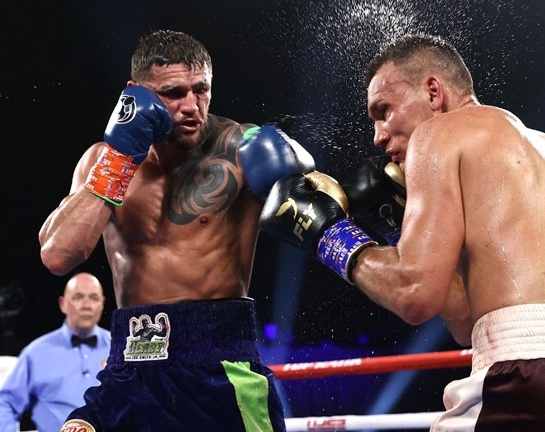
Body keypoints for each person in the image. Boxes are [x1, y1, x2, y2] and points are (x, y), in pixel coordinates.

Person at [259, 33, 545, 431]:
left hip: (537, 374)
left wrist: (326, 233)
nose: (378, 135)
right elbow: (469, 322)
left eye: (383, 111)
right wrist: (398, 232)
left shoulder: (438, 134)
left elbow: (412, 293)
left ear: (433, 92)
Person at [38, 30, 315, 431]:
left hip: (221, 371)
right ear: (135, 94)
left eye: (200, 89)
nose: (191, 107)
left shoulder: (238, 149)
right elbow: (58, 255)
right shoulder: (103, 160)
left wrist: (294, 158)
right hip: (128, 370)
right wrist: (120, 159)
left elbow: (312, 185)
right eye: (172, 93)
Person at [0, 273, 110, 432]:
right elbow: (6, 402)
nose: (87, 305)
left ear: (102, 303)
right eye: (78, 297)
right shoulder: (36, 352)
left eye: (93, 298)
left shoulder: (118, 349)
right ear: (63, 304)